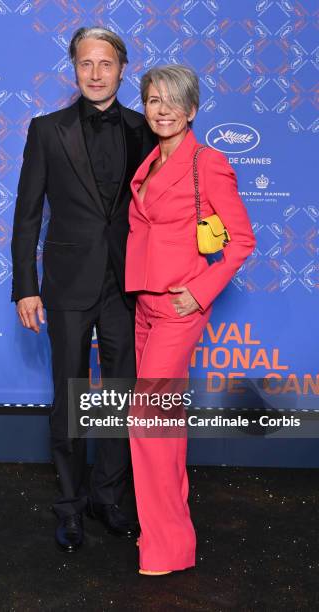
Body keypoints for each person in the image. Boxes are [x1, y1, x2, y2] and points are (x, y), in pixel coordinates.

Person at [10, 27, 156, 553]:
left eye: (106, 64)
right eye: (85, 64)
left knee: (120, 398)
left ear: (123, 69)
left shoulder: (144, 129)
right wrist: (25, 286)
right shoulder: (47, 130)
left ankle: (108, 499)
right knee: (69, 400)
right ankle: (69, 507)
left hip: (127, 286)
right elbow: (27, 215)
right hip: (67, 285)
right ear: (73, 69)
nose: (95, 74)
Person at [125, 65, 256, 575]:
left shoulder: (210, 161)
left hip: (181, 307)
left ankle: (161, 547)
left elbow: (241, 240)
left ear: (192, 110)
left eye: (172, 101)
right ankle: (174, 539)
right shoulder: (150, 161)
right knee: (167, 425)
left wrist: (198, 293)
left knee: (147, 419)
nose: (161, 109)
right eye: (153, 99)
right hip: (144, 304)